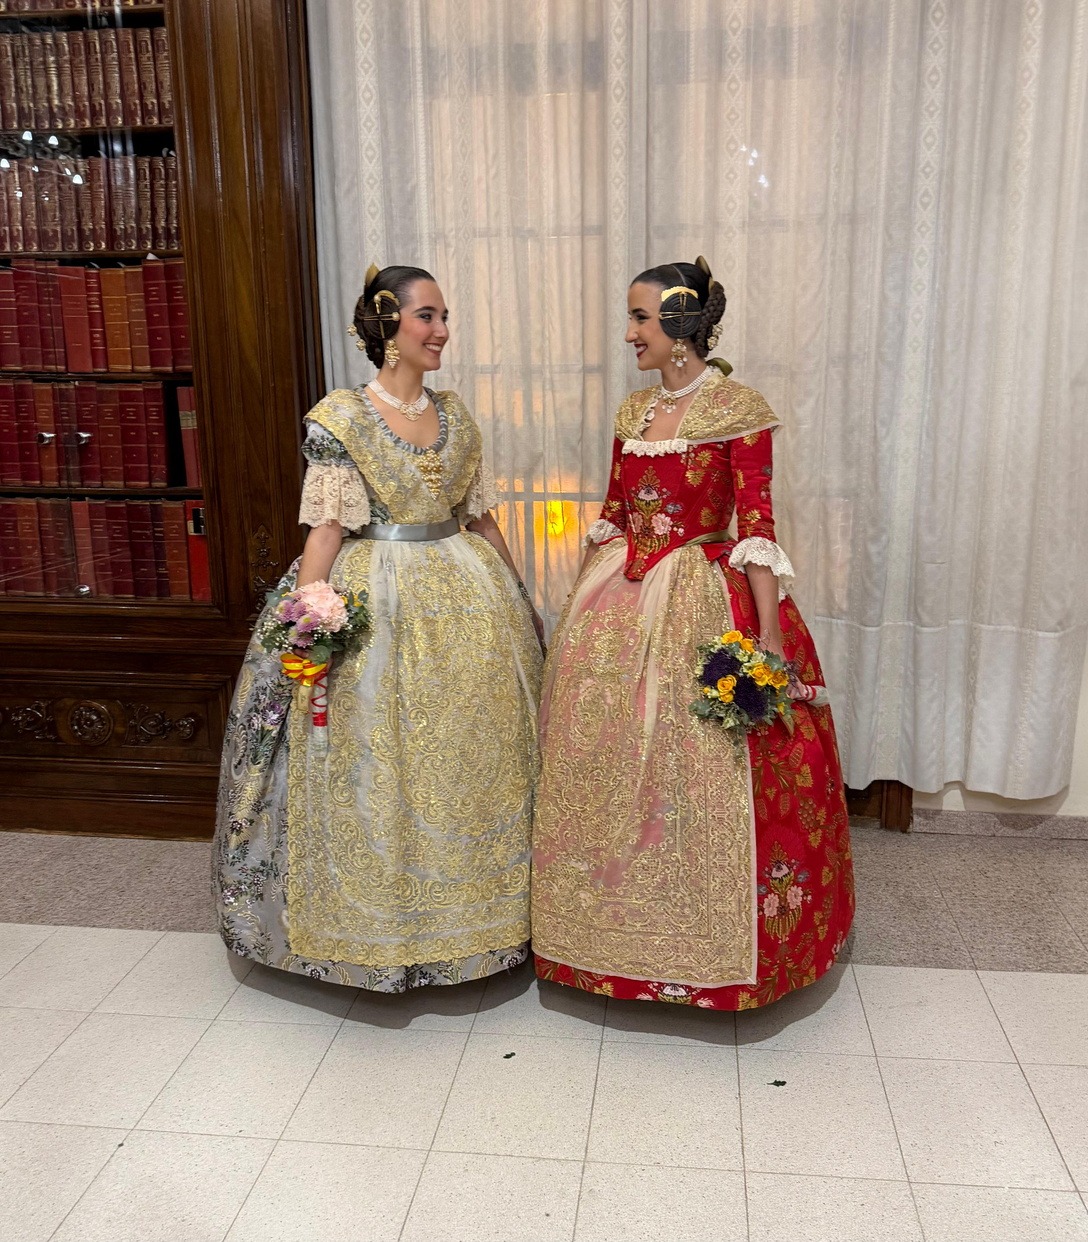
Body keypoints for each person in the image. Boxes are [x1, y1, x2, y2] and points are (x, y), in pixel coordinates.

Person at [531, 257, 854, 1009]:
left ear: (679, 326)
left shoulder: (738, 409)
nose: (628, 334)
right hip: (619, 598)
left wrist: (769, 636)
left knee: (707, 761)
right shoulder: (632, 413)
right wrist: (580, 606)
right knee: (604, 758)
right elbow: (614, 513)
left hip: (703, 594)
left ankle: (716, 944)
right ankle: (599, 938)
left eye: (640, 318)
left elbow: (757, 525)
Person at [213, 264, 543, 990]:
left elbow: (481, 517)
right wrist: (305, 621)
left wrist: (518, 596)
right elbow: (327, 530)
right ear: (389, 324)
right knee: (379, 755)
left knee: (469, 754)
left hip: (468, 594)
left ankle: (489, 923)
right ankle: (382, 927)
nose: (442, 330)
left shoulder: (457, 415)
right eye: (428, 316)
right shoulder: (342, 418)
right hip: (376, 597)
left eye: (445, 316)